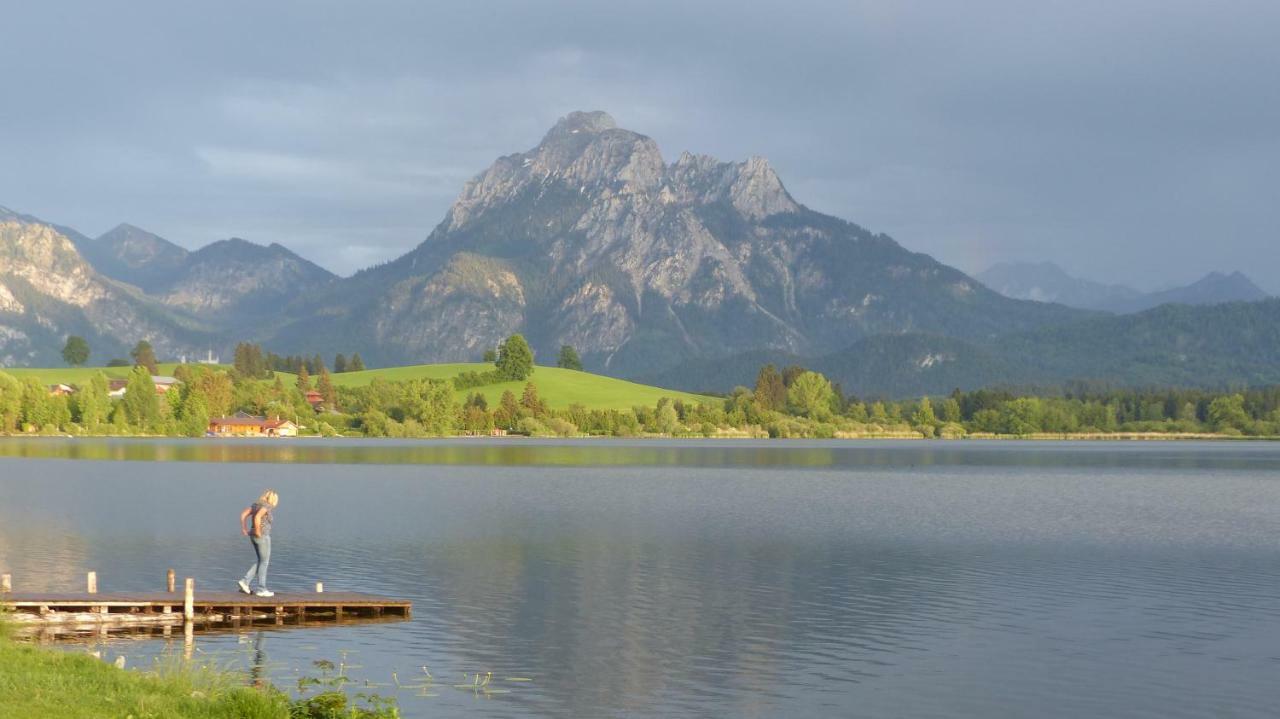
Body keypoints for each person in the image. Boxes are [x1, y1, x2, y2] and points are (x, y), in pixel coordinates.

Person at [238, 490, 278, 597]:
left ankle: (245, 582)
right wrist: (259, 532)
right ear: (272, 499)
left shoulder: (256, 505)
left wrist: (244, 528)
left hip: (252, 535)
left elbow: (243, 514)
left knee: (261, 560)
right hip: (262, 536)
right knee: (264, 562)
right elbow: (257, 517)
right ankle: (261, 589)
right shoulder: (267, 506)